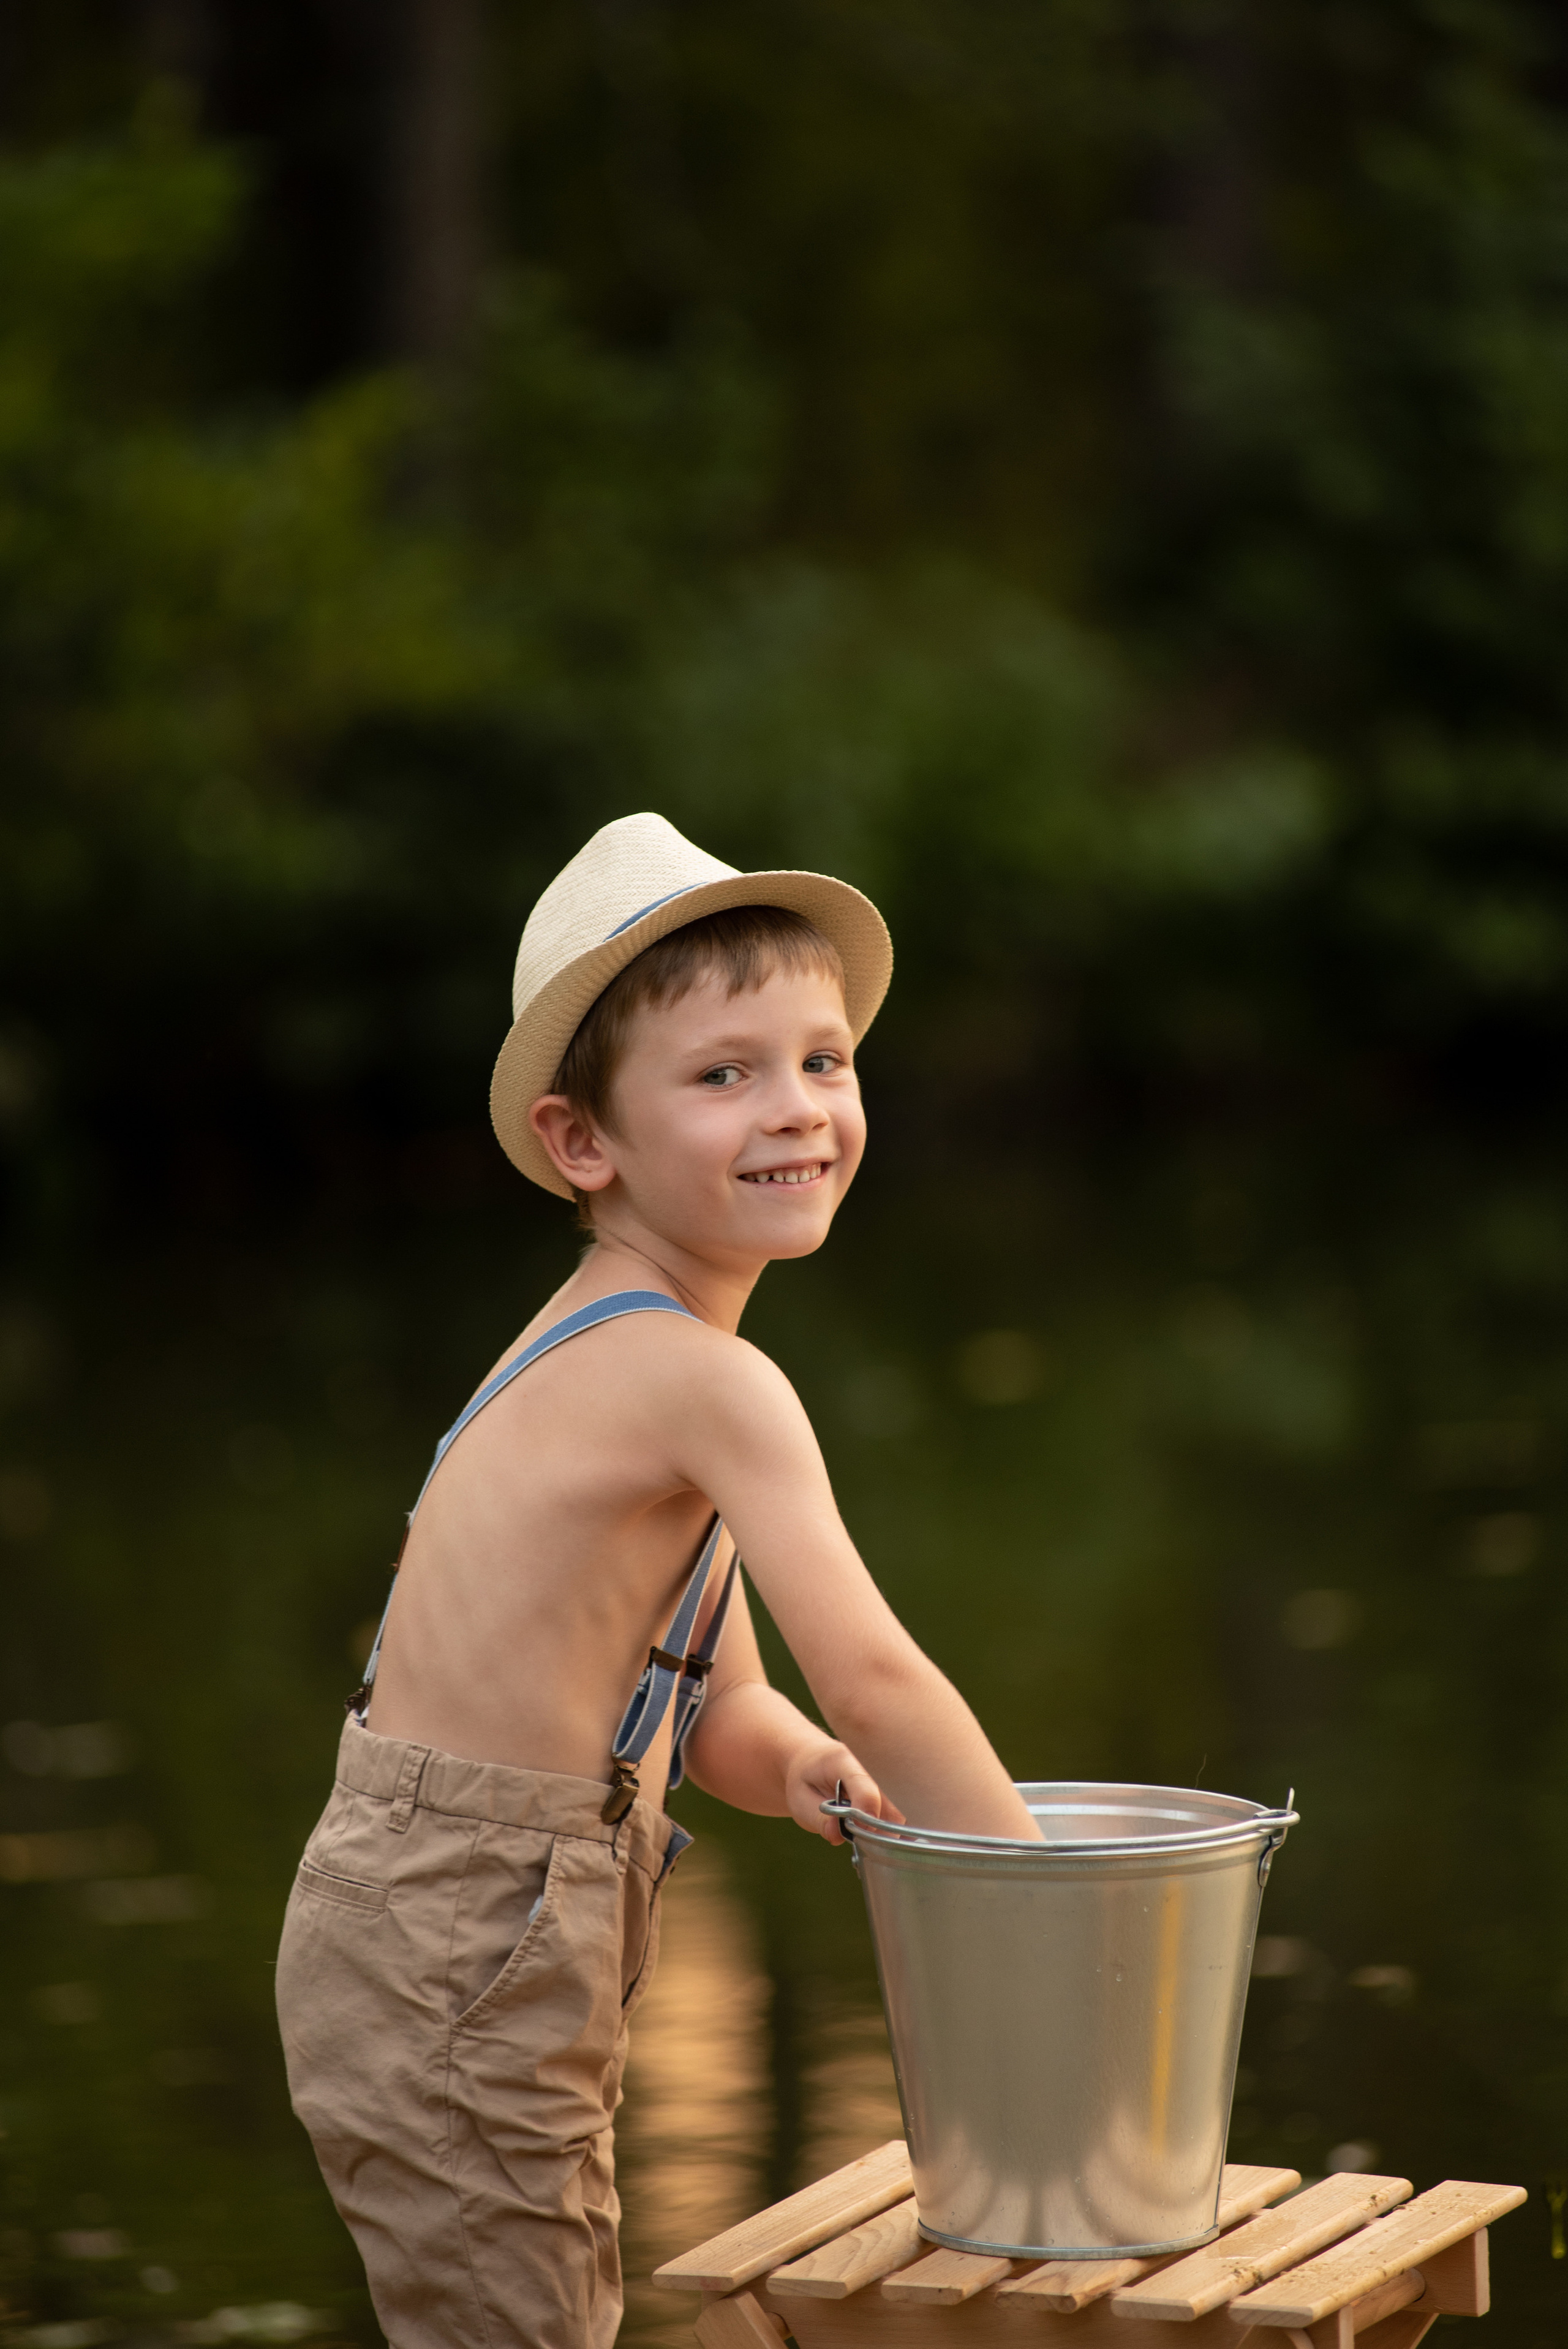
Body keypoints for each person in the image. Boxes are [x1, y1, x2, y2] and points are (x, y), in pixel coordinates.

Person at [274, 811, 1038, 2349]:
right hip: (457, 1932)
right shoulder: (692, 1381)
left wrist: (808, 1768)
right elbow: (878, 1674)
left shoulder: (652, 1356)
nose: (796, 1109)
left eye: (823, 1061)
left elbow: (719, 1710)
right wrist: (1046, 1913)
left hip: (451, 1924)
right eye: (722, 1074)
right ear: (583, 1141)